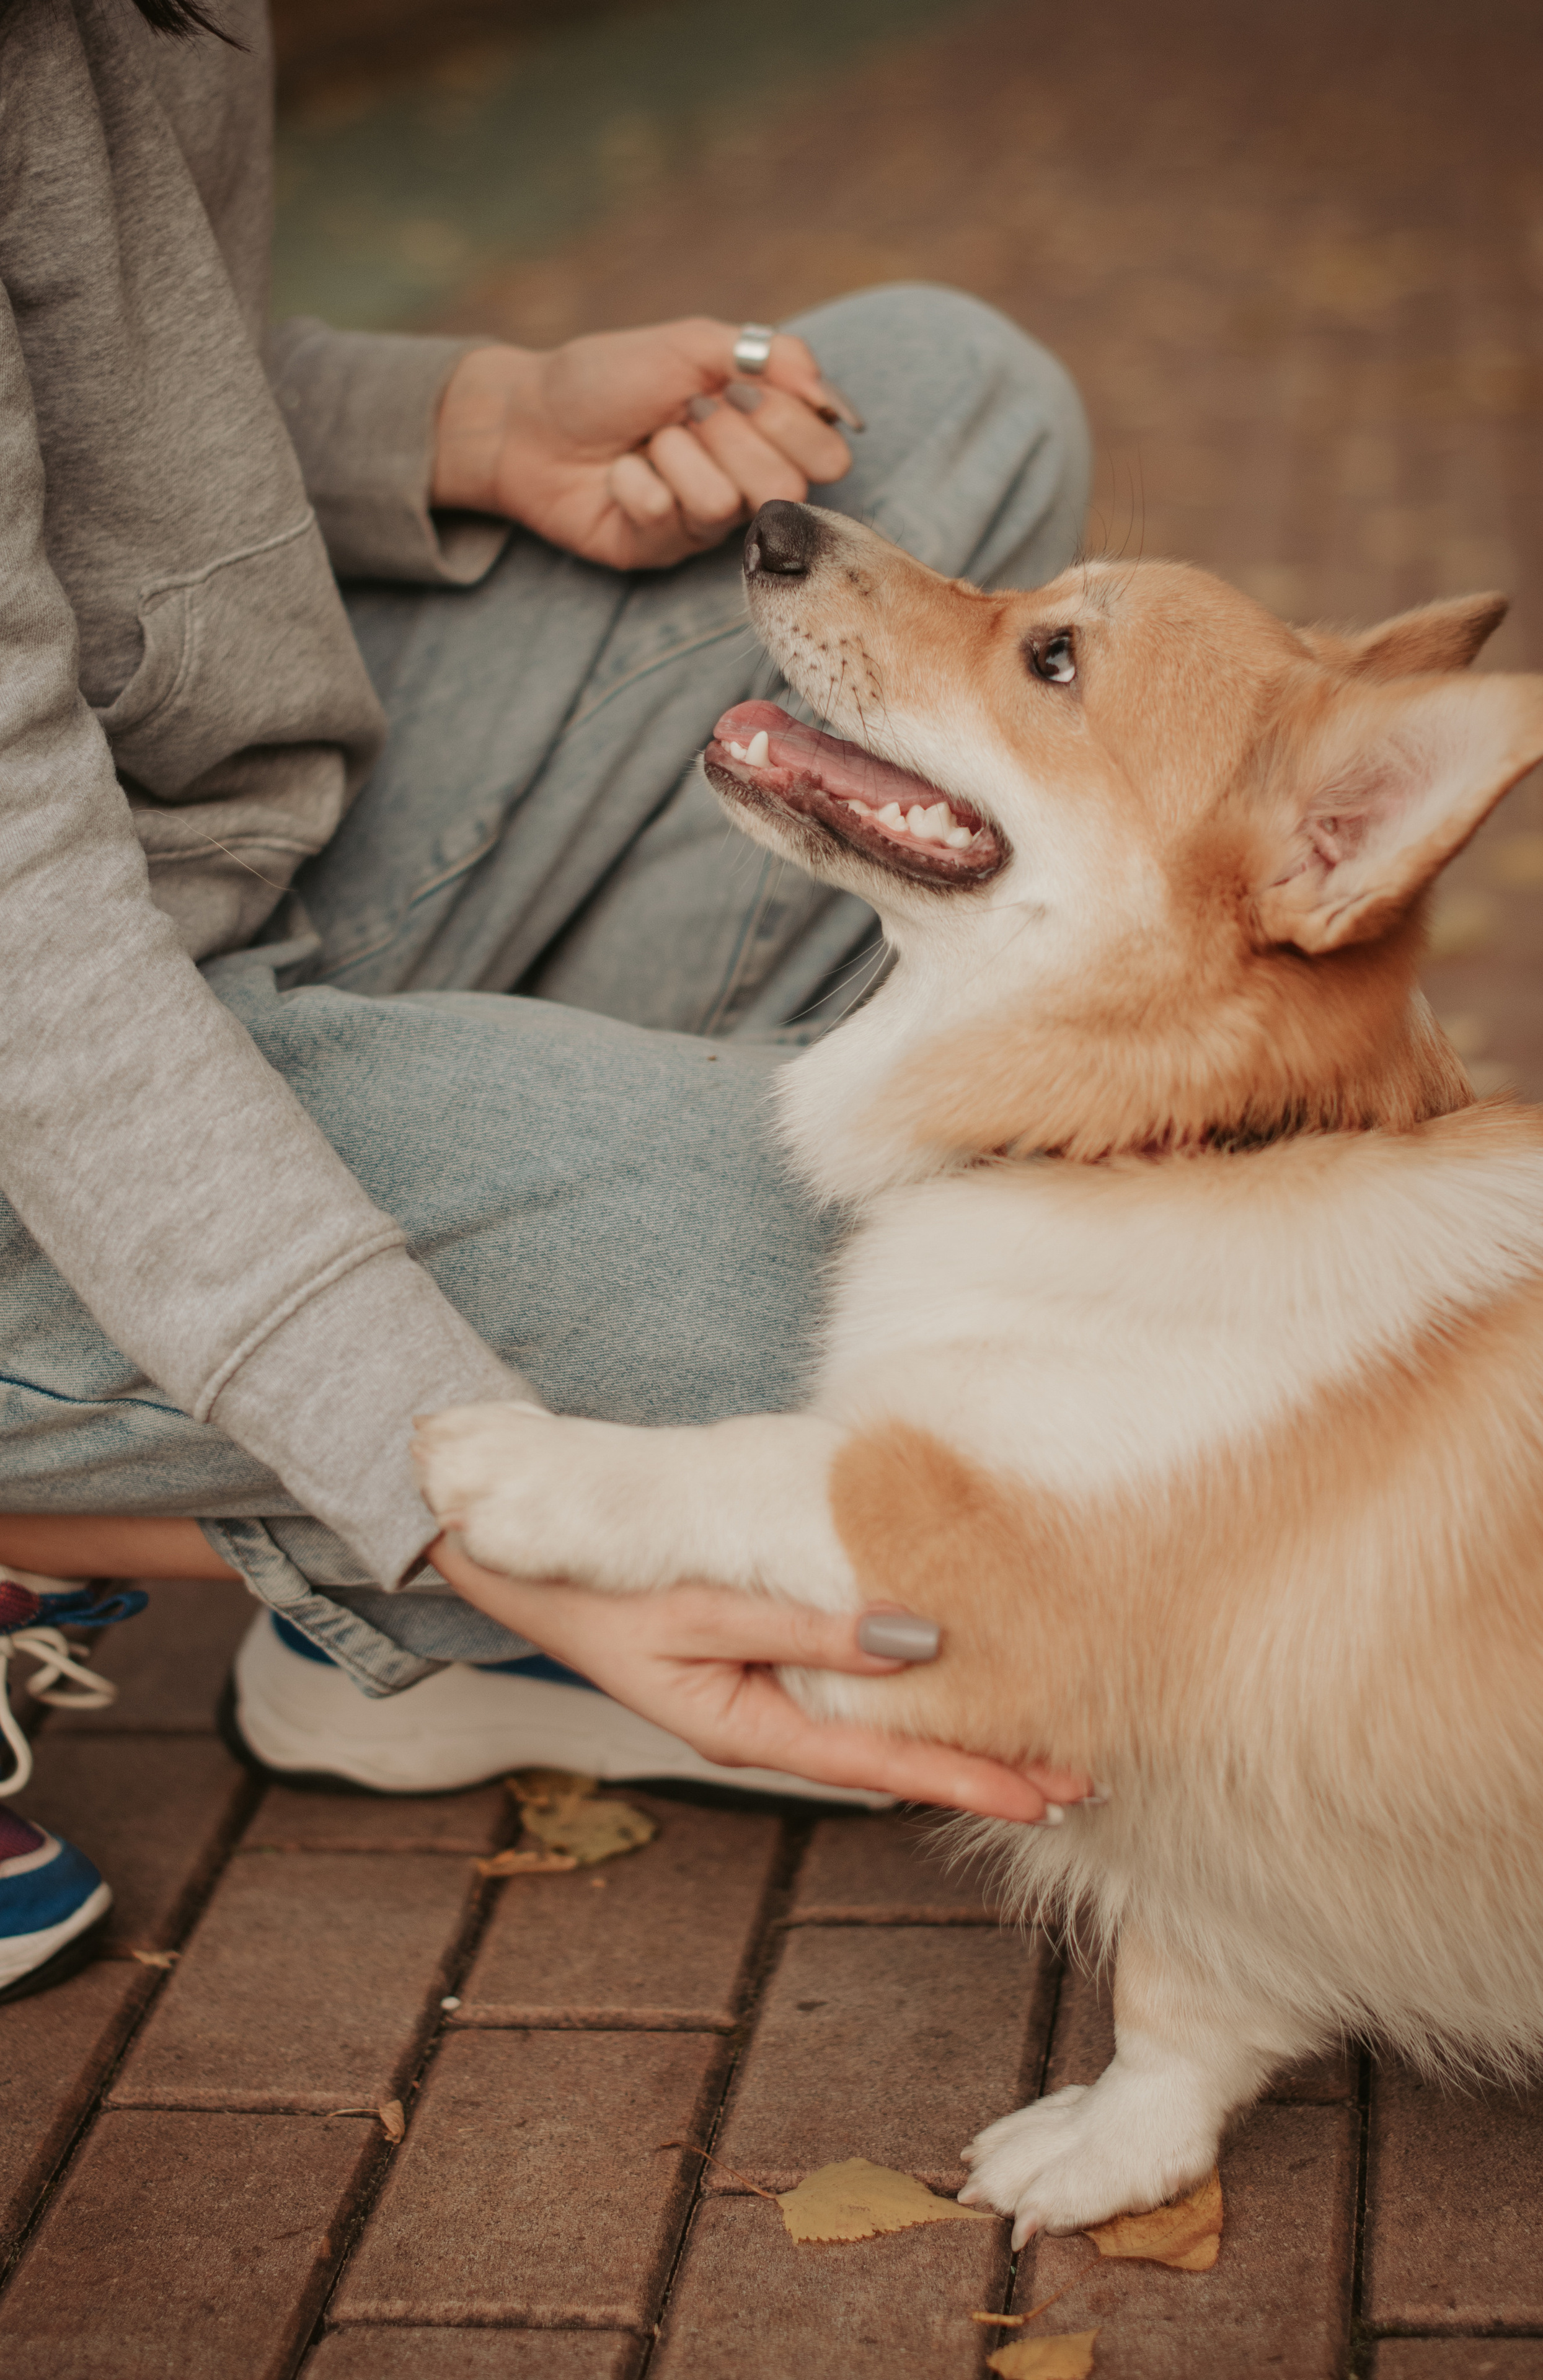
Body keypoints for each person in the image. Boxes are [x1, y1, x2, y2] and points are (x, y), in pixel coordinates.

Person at [0, 0, 1094, 2000]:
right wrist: (488, 1507)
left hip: (194, 854)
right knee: (891, 1321)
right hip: (40, 989)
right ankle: (272, 1545)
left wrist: (473, 420)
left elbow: (109, 375)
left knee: (947, 407)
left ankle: (394, 1647)